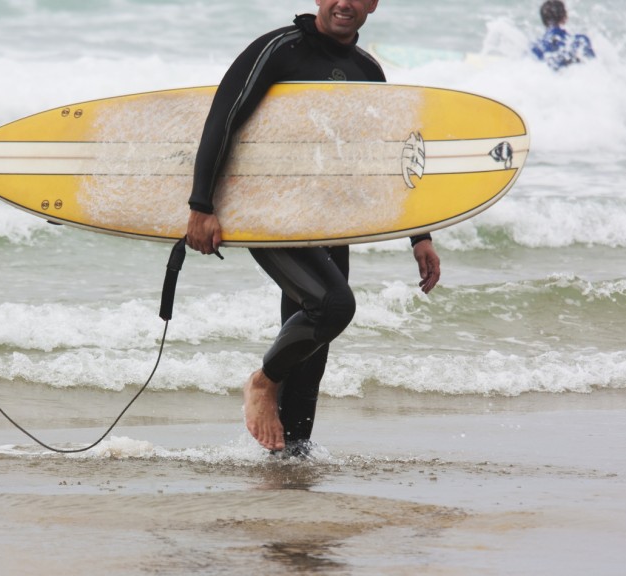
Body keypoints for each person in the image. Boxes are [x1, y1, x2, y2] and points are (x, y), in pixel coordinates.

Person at [185, 0, 440, 455]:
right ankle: (262, 384)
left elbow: (383, 160)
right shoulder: (279, 49)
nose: (346, 3)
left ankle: (288, 464)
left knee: (312, 354)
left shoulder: (367, 70)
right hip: (267, 213)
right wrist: (201, 205)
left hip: (327, 218)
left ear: (374, 4)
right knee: (333, 306)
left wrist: (419, 235)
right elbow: (223, 119)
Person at [531, 0, 595, 70]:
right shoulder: (580, 41)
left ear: (543, 21)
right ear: (565, 18)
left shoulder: (535, 47)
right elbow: (594, 67)